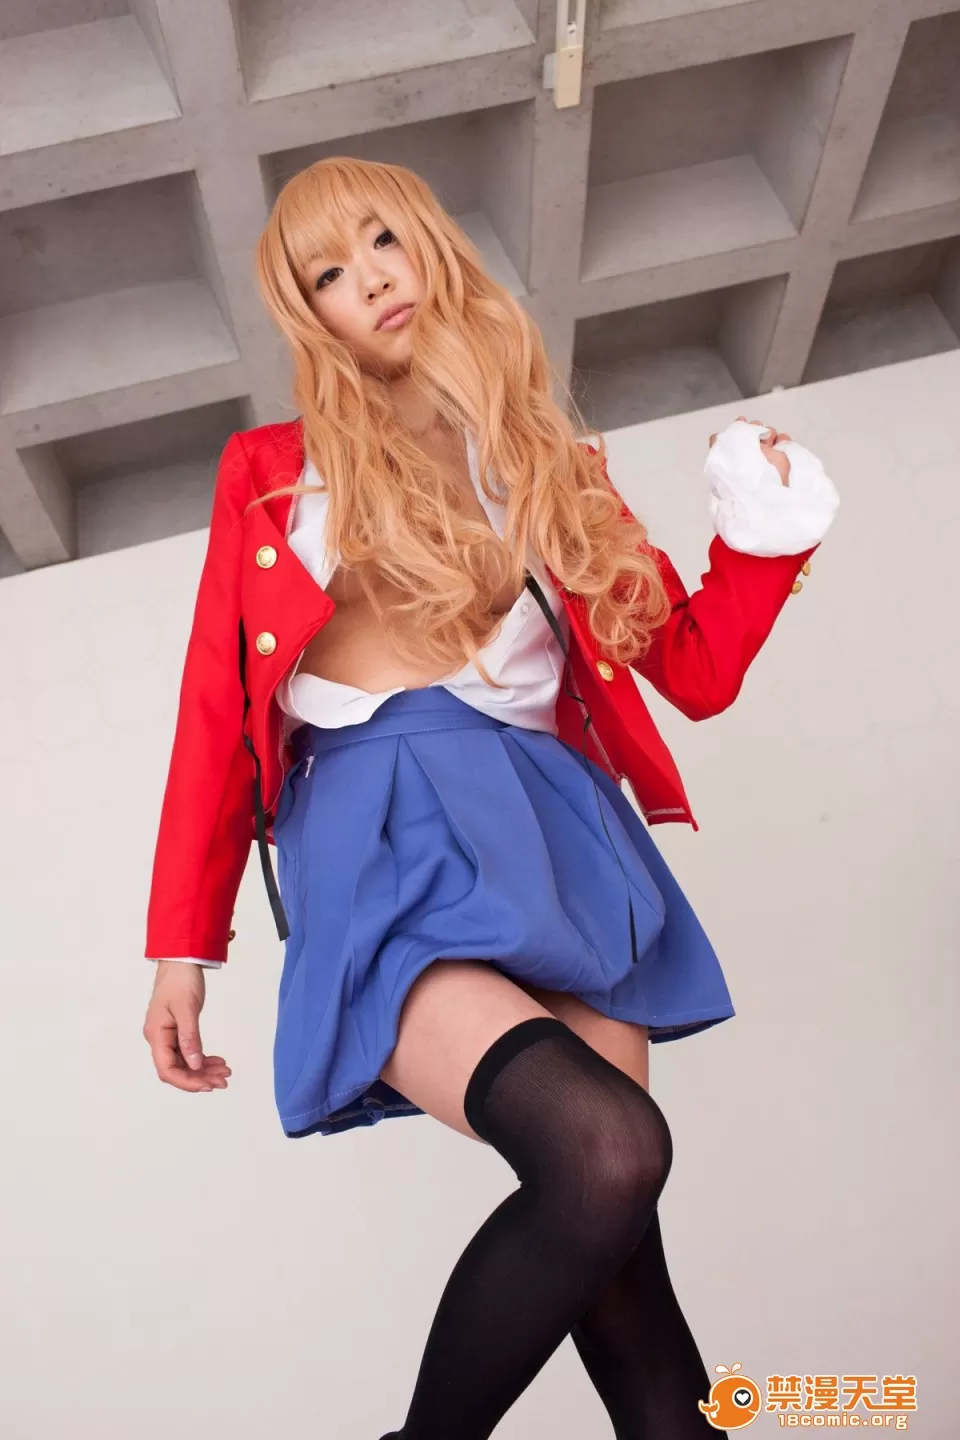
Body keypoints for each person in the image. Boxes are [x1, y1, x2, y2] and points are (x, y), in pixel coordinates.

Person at [141, 157, 839, 1439]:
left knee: (623, 1249)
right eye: (329, 274)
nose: (371, 281)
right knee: (606, 1151)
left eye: (382, 240)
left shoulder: (543, 462)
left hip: (556, 835)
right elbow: (213, 714)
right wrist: (184, 946)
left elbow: (689, 668)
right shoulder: (276, 472)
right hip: (382, 836)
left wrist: (765, 538)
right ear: (310, 315)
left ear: (431, 243)